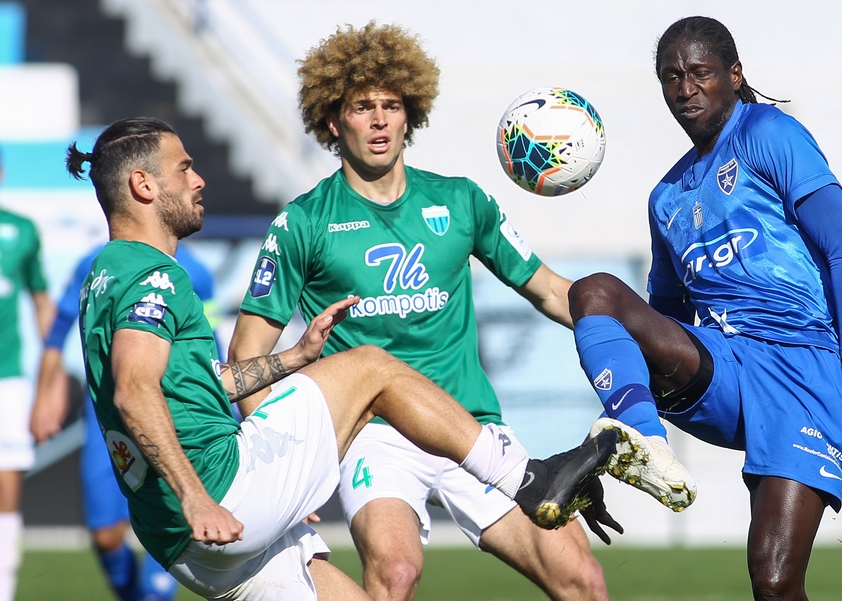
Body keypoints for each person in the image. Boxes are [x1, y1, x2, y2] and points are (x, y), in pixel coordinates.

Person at [66, 116, 614, 601]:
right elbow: (133, 390)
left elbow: (191, 387)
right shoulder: (156, 276)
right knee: (372, 366)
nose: (199, 179)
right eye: (184, 168)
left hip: (182, 544)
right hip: (218, 494)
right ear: (143, 185)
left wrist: (294, 358)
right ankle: (531, 479)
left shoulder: (106, 273)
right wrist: (197, 499)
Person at [227, 22, 623, 601]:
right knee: (395, 575)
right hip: (373, 438)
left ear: (410, 115)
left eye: (391, 106)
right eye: (362, 107)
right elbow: (246, 356)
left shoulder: (462, 200)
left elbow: (550, 292)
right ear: (333, 122)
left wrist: (637, 337)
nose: (379, 121)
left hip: (471, 427)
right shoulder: (303, 222)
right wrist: (279, 467)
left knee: (581, 579)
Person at [569, 16, 842, 601]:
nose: (685, 89)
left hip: (802, 369)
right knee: (594, 292)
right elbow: (660, 324)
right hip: (725, 367)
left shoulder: (770, 134)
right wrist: (602, 448)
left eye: (699, 73)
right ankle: (643, 441)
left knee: (774, 583)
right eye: (671, 77)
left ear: (734, 74)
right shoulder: (666, 197)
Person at [30, 241, 218, 601]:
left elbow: (213, 343)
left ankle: (155, 595)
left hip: (173, 416)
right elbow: (59, 327)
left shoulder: (196, 272)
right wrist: (46, 392)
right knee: (105, 535)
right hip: (107, 418)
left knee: (171, 519)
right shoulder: (95, 263)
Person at [0, 148, 56, 601]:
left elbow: (41, 303)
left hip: (8, 379)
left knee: (6, 488)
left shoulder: (21, 230)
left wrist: (51, 383)